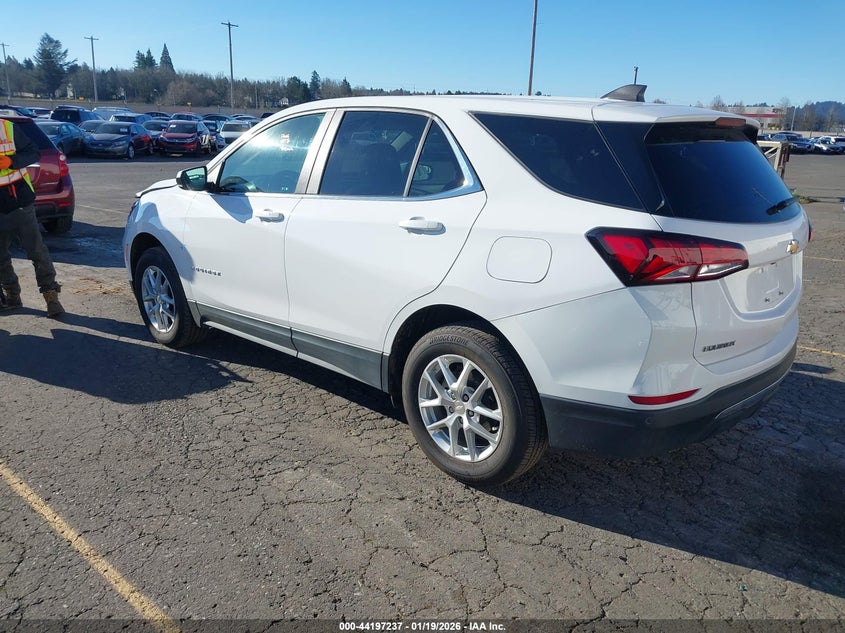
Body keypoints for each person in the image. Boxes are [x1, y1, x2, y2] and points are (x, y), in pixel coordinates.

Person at [0, 117, 64, 317]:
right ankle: (12, 295)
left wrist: (11, 161)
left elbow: (33, 152)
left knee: (36, 250)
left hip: (19, 202)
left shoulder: (7, 128)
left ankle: (51, 297)